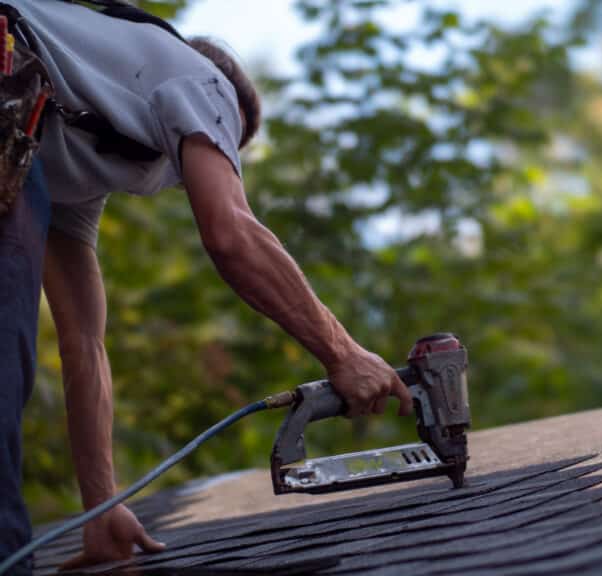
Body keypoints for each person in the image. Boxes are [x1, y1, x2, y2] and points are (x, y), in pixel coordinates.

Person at [0, 0, 413, 572]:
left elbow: (85, 346)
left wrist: (101, 506)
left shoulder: (72, 166)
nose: (211, 159)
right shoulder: (204, 80)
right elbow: (230, 233)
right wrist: (344, 353)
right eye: (223, 142)